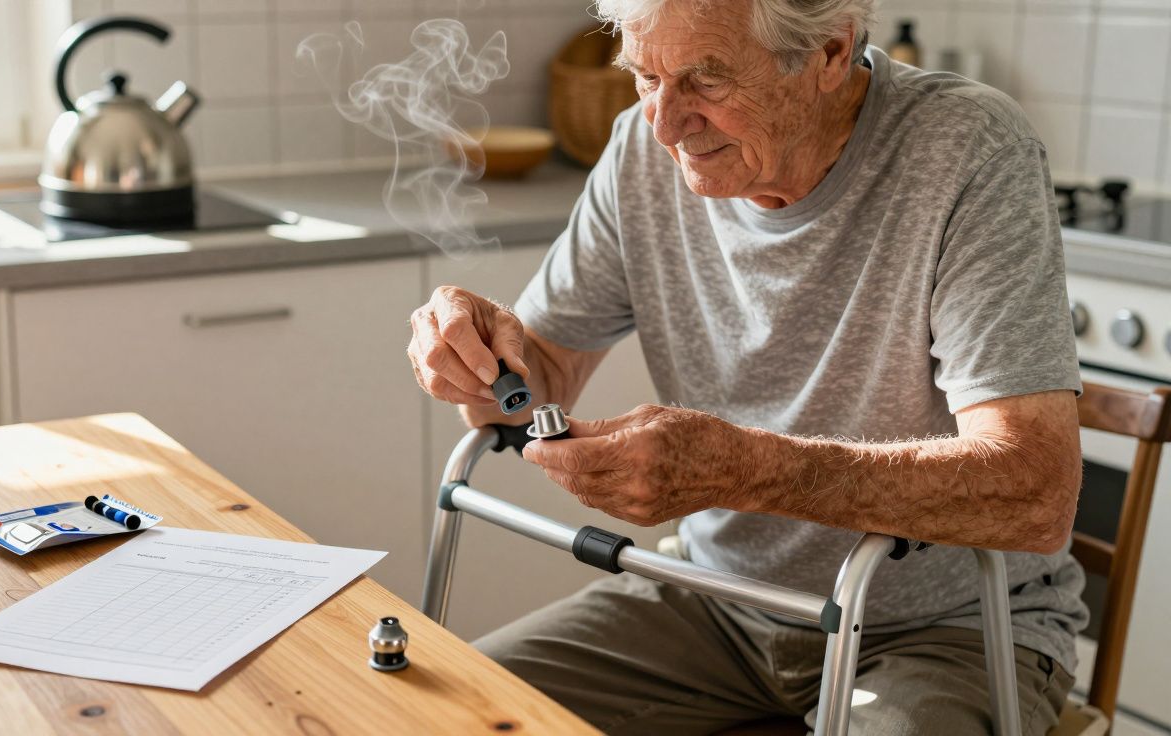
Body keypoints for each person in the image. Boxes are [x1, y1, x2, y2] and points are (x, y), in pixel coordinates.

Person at [405, 0, 1086, 733]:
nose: (664, 124)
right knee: (441, 715)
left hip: (939, 629)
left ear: (829, 51)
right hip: (710, 602)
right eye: (645, 76)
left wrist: (740, 469)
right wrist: (474, 357)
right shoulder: (642, 150)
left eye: (706, 80)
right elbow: (532, 384)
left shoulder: (966, 148)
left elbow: (1035, 491)